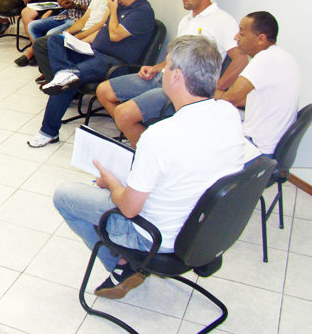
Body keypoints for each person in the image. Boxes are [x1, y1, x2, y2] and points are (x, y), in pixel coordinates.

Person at [54, 35, 249, 300]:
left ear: (177, 76)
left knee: (64, 196)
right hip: (204, 232)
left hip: (156, 240)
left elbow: (129, 208)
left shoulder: (159, 136)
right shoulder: (228, 114)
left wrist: (110, 183)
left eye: (167, 67)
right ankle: (125, 265)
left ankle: (125, 267)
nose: (164, 73)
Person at [95, 0, 248, 146]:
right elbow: (174, 57)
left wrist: (216, 87)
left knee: (123, 114)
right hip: (162, 76)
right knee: (103, 91)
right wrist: (156, 67)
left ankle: (145, 149)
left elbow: (241, 59)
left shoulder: (222, 20)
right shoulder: (186, 21)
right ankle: (143, 139)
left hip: (183, 89)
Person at [28, 0, 155, 147]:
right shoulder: (121, 5)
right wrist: (75, 41)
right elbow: (101, 34)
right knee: (56, 40)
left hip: (113, 62)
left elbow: (114, 34)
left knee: (67, 82)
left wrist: (113, 10)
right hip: (94, 51)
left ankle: (48, 132)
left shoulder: (143, 12)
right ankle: (63, 73)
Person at [220, 11, 302, 157]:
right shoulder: (283, 57)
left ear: (261, 39)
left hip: (258, 150)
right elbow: (251, 100)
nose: (236, 37)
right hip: (271, 147)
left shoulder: (265, 58)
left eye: (242, 33)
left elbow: (230, 99)